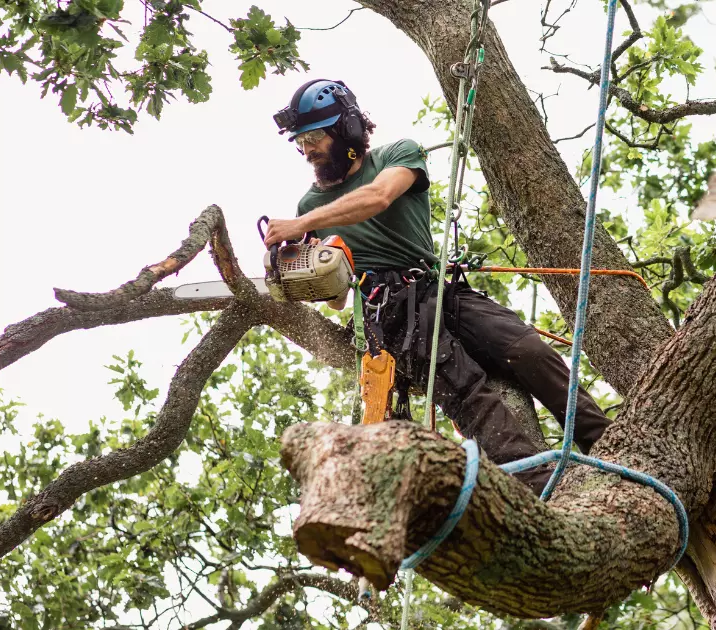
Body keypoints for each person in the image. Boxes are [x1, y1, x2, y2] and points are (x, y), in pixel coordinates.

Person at [262, 78, 612, 495]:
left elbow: (378, 198)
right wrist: (305, 269)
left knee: (528, 349)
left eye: (315, 136)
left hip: (437, 289)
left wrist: (303, 225)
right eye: (301, 141)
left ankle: (608, 446)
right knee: (467, 389)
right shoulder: (311, 206)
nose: (307, 149)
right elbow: (338, 301)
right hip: (390, 312)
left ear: (348, 130)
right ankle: (542, 490)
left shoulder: (397, 155)